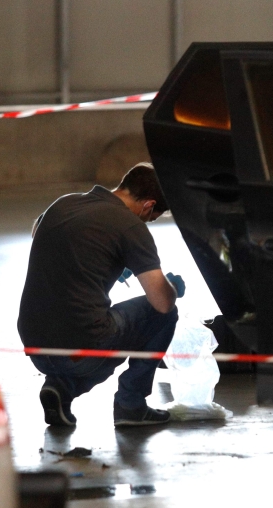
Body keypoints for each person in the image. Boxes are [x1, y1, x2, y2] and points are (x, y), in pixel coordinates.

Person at [18, 163, 185, 428]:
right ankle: (132, 405)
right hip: (81, 350)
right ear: (148, 205)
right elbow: (162, 303)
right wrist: (172, 289)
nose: (147, 222)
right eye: (151, 217)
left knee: (88, 329)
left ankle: (61, 389)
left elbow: (39, 230)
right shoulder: (131, 226)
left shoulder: (64, 203)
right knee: (163, 315)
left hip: (35, 343)